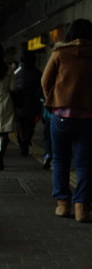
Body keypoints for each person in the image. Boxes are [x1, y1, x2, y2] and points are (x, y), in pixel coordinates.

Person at [41, 18, 92, 222]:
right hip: (89, 118)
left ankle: (63, 205)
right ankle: (82, 208)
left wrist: (53, 99)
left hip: (61, 115)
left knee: (61, 160)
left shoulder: (60, 53)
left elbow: (45, 81)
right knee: (85, 164)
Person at [13, 50, 43, 157]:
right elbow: (41, 89)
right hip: (32, 104)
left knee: (19, 126)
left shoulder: (15, 73)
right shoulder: (38, 73)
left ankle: (22, 144)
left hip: (18, 104)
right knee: (29, 126)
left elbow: (12, 88)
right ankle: (26, 142)